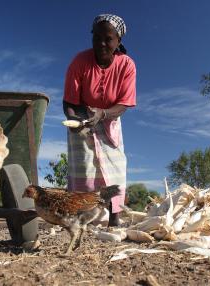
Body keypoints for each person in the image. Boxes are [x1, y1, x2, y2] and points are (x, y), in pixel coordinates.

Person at [63, 14, 136, 226]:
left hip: (110, 118)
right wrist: (74, 120)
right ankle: (79, 218)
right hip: (81, 118)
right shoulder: (80, 61)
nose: (101, 43)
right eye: (96, 37)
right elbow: (69, 100)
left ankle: (114, 218)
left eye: (108, 38)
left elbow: (124, 103)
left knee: (115, 167)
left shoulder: (127, 65)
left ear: (118, 41)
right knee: (84, 169)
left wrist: (102, 114)